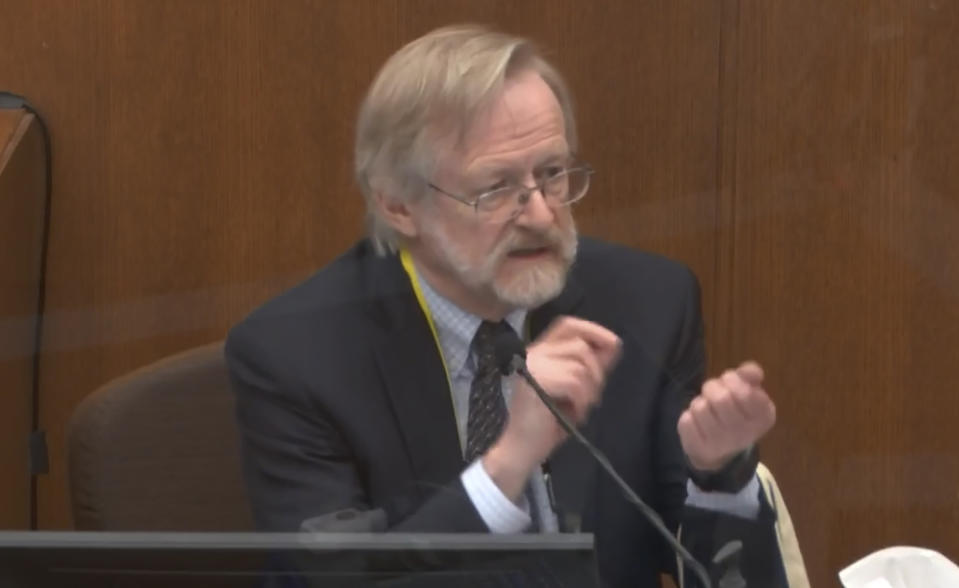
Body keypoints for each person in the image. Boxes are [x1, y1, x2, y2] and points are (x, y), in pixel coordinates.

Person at [226, 24, 788, 587]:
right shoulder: (296, 357)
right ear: (398, 205)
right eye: (495, 190)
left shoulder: (646, 305)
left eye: (552, 175)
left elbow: (724, 575)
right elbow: (331, 581)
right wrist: (507, 465)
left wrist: (719, 478)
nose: (542, 215)